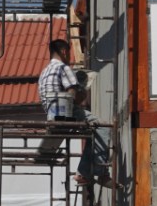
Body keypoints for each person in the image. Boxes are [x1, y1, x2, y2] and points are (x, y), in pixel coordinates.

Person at [37, 38, 112, 187]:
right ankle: (100, 172)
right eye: (68, 53)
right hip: (64, 111)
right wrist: (80, 95)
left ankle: (83, 173)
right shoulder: (63, 68)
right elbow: (73, 90)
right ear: (64, 52)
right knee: (102, 127)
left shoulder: (44, 72)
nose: (69, 57)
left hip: (51, 113)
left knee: (93, 133)